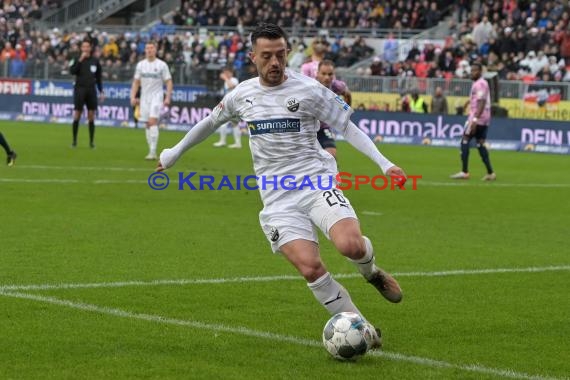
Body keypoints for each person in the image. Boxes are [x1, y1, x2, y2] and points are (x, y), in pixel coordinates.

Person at [157, 23, 407, 350]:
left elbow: (348, 126)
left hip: (315, 182)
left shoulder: (310, 90)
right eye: (267, 56)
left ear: (287, 52)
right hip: (276, 197)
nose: (275, 62)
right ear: (253, 57)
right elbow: (210, 122)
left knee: (351, 247)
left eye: (280, 55)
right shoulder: (242, 94)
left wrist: (384, 163)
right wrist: (174, 152)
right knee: (310, 267)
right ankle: (363, 329)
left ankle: (371, 271)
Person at [450, 63, 496, 181]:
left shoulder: (480, 83)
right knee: (480, 144)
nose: (472, 73)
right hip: (484, 118)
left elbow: (481, 102)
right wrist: (468, 103)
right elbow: (478, 100)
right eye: (471, 70)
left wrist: (475, 119)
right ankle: (490, 173)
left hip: (477, 118)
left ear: (480, 72)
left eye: (475, 70)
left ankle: (464, 172)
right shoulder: (481, 83)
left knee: (465, 140)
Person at [130, 41, 173, 160]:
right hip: (144, 98)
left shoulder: (162, 65)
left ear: (155, 50)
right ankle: (151, 149)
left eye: (151, 48)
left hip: (157, 97)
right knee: (147, 124)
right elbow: (136, 82)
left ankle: (153, 151)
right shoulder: (140, 65)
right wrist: (132, 96)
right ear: (145, 50)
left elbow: (168, 81)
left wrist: (168, 97)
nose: (149, 50)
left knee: (152, 122)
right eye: (147, 48)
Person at [69, 39, 104, 148]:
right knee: (77, 114)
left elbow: (98, 78)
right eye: (83, 47)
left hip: (91, 90)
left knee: (91, 115)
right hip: (79, 89)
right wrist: (80, 60)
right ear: (81, 48)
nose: (85, 49)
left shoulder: (95, 61)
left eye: (87, 47)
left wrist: (101, 91)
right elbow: (72, 71)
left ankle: (91, 142)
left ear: (90, 48)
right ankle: (74, 141)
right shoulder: (76, 59)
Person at [315, 60, 352, 159]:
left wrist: (344, 112)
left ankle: (332, 173)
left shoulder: (337, 86)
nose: (327, 77)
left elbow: (347, 94)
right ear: (317, 73)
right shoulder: (309, 86)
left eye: (330, 74)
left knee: (331, 155)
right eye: (323, 74)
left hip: (323, 128)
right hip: (307, 127)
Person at [213, 68, 241, 148]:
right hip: (229, 105)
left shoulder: (234, 79)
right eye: (225, 73)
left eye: (227, 72)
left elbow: (231, 86)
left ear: (231, 73)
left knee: (225, 123)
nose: (225, 74)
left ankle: (223, 141)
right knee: (234, 124)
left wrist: (225, 78)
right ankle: (237, 143)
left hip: (233, 105)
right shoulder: (227, 80)